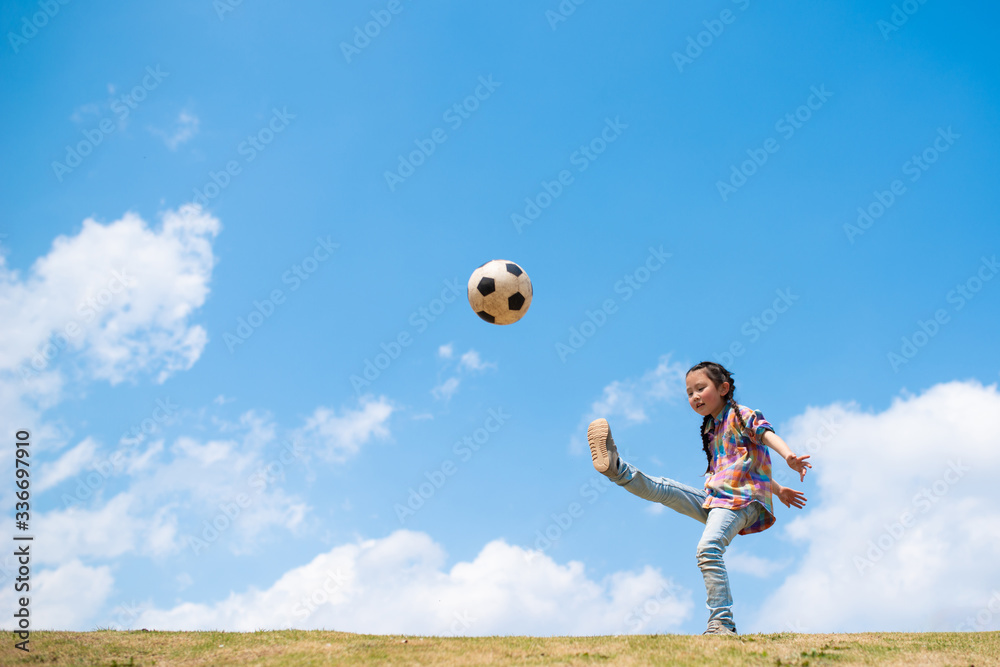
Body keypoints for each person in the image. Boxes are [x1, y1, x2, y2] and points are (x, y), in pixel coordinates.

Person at [586, 361, 811, 635]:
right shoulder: (710, 429)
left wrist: (788, 455)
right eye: (689, 392)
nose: (694, 396)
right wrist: (779, 490)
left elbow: (766, 435)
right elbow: (750, 465)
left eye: (700, 388)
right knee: (664, 489)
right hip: (717, 499)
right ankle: (615, 467)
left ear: (724, 388)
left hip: (741, 502)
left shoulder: (741, 414)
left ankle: (722, 624)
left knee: (708, 549)